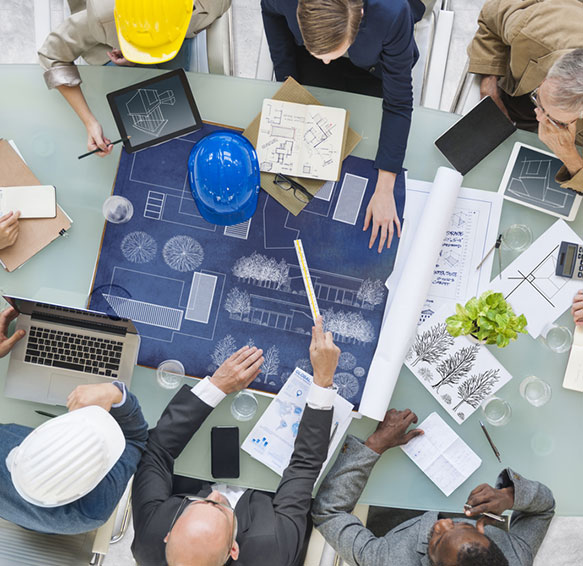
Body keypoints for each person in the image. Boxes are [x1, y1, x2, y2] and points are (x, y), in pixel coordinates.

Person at [131, 316, 340, 566]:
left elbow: (156, 450)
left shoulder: (149, 538)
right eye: (220, 509)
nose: (217, 496)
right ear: (234, 550)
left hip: (198, 461)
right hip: (271, 487)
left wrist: (216, 387)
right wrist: (323, 382)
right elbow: (305, 465)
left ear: (168, 535)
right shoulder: (270, 551)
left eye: (200, 503)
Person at [260, 0, 424, 253]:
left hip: (375, 65)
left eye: (331, 55)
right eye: (322, 55)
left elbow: (399, 103)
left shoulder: (391, 11)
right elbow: (269, 10)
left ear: (359, 15)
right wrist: (287, 82)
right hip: (310, 59)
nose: (326, 62)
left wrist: (385, 187)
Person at [312, 409, 555, 566]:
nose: (441, 523)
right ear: (483, 531)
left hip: (395, 496)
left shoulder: (387, 561)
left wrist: (374, 445)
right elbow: (544, 509)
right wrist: (509, 496)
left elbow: (328, 513)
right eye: (461, 526)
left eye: (437, 541)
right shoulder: (516, 558)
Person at [38, 0, 231, 157]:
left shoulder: (210, 3)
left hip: (177, 34)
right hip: (108, 38)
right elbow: (52, 56)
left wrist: (142, 52)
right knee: (133, 124)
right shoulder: (103, 16)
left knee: (177, 112)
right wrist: (90, 123)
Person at [0, 378, 148, 534]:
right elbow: (134, 438)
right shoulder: (95, 508)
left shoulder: (84, 517)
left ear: (16, 456)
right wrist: (114, 394)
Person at [467, 0, 583, 193]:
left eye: (556, 121)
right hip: (512, 97)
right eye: (539, 96)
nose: (540, 118)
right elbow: (490, 19)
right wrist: (489, 84)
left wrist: (569, 156)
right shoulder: (533, 29)